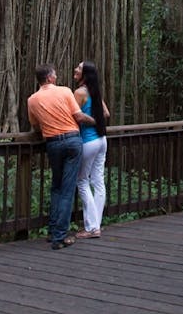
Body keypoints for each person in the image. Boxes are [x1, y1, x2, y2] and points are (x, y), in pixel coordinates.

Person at [26, 62, 94, 249]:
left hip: (53, 143)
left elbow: (35, 125)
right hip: (72, 141)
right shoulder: (65, 91)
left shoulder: (32, 100)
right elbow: (79, 116)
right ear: (49, 78)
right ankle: (59, 237)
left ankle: (53, 230)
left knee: (56, 187)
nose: (56, 77)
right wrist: (96, 122)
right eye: (54, 75)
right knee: (67, 189)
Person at [72, 60, 110, 239]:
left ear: (85, 74)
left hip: (88, 141)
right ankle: (96, 225)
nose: (75, 70)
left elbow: (73, 115)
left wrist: (88, 121)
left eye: (79, 68)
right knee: (98, 182)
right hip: (102, 140)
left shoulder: (79, 93)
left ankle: (92, 228)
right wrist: (97, 120)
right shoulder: (95, 92)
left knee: (82, 181)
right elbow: (106, 114)